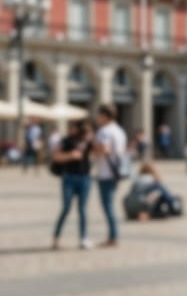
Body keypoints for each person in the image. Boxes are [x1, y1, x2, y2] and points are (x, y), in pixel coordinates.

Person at [50, 119, 94, 250]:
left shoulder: (88, 142)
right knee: (66, 208)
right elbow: (56, 157)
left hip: (85, 177)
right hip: (69, 177)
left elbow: (98, 151)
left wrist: (91, 137)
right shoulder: (66, 140)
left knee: (82, 209)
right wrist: (70, 155)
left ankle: (84, 237)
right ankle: (56, 237)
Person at [93, 105, 130, 247]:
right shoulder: (120, 131)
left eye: (99, 115)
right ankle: (113, 236)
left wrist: (92, 147)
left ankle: (113, 237)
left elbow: (104, 148)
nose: (98, 118)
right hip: (117, 171)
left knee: (107, 206)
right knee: (110, 205)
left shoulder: (104, 131)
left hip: (105, 172)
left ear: (105, 116)